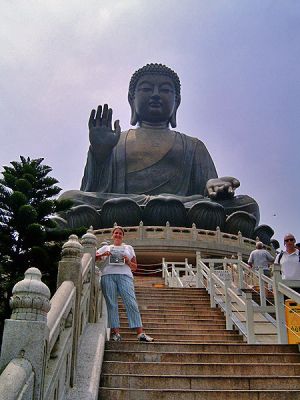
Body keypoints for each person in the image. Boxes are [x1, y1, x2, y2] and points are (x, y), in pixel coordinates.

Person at [59, 63, 273, 241]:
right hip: (123, 207)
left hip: (183, 208)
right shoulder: (117, 140)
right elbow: (93, 190)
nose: (155, 95)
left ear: (176, 102)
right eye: (146, 89)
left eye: (165, 90)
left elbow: (209, 192)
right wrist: (100, 154)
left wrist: (214, 188)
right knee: (67, 200)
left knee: (248, 205)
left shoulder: (192, 145)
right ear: (131, 99)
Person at [96, 226, 153, 342]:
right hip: (108, 276)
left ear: (123, 236)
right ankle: (116, 333)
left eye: (120, 233)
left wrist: (127, 261)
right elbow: (94, 258)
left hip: (125, 276)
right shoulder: (106, 247)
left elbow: (135, 267)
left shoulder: (129, 248)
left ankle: (140, 333)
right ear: (112, 235)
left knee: (131, 302)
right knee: (112, 304)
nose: (117, 235)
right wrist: (104, 255)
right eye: (115, 233)